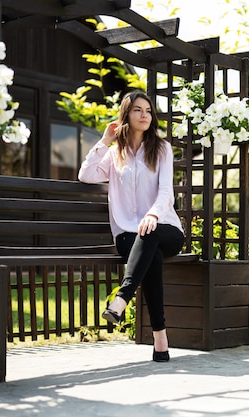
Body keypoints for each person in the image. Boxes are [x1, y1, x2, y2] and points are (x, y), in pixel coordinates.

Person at [78, 90, 185, 362]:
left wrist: (153, 215)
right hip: (128, 234)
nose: (144, 115)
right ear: (126, 114)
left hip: (165, 228)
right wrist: (104, 141)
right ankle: (160, 337)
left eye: (148, 111)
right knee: (152, 255)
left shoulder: (161, 149)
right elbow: (86, 175)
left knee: (150, 235)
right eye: (138, 110)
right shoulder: (115, 154)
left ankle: (122, 298)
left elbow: (166, 193)